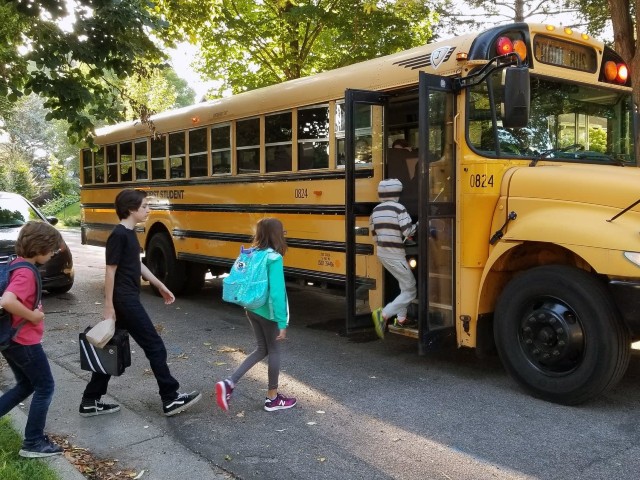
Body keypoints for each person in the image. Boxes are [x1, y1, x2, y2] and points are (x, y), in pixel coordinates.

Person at [79, 189, 201, 417]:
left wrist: (160, 285)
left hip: (126, 299)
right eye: (145, 206)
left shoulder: (129, 233)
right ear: (131, 209)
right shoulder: (118, 235)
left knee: (109, 345)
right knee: (154, 346)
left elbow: (138, 265)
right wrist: (108, 306)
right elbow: (110, 271)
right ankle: (170, 397)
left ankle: (90, 400)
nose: (148, 210)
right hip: (124, 301)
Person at [215, 217, 296, 412]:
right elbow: (277, 293)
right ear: (277, 235)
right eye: (282, 232)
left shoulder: (251, 254)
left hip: (251, 308)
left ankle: (229, 382)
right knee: (274, 350)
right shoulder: (274, 258)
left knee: (262, 349)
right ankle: (272, 398)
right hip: (268, 311)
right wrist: (282, 322)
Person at [0, 221, 64, 457]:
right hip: (23, 342)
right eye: (53, 248)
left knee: (26, 384)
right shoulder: (27, 273)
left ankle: (34, 440)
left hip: (12, 340)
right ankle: (33, 443)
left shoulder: (16, 264)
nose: (55, 252)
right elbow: (7, 301)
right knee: (45, 386)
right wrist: (34, 316)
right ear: (39, 248)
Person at [370, 179, 418, 339]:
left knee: (403, 283)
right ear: (397, 193)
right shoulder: (399, 209)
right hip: (396, 255)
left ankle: (402, 319)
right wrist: (417, 225)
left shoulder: (375, 211)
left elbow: (374, 236)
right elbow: (407, 232)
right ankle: (384, 314)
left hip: (382, 254)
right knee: (411, 288)